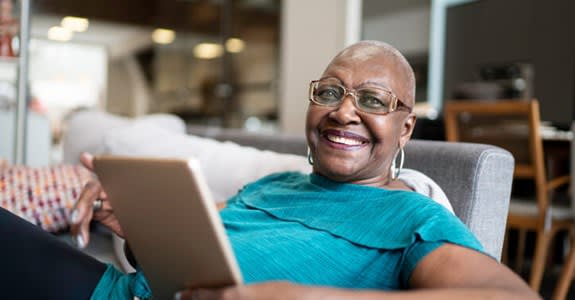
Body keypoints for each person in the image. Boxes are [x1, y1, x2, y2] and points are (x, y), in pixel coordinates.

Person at [0, 40, 540, 300]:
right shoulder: (274, 186)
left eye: (372, 100)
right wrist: (138, 226)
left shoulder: (412, 218)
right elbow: (199, 262)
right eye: (330, 92)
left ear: (405, 129)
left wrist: (307, 298)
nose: (343, 110)